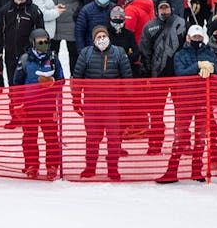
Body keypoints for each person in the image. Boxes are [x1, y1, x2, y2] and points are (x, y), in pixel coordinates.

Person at [157, 23, 217, 183]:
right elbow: (181, 74)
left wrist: (211, 71)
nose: (197, 40)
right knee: (180, 136)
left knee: (200, 137)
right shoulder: (180, 55)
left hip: (203, 100)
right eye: (194, 37)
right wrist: (197, 67)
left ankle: (196, 171)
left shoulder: (209, 53)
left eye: (199, 37)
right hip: (185, 101)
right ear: (188, 38)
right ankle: (172, 171)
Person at [71, 24, 132, 179]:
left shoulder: (119, 52)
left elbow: (127, 78)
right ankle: (90, 167)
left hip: (113, 104)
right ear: (93, 40)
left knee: (113, 138)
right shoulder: (86, 53)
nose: (102, 39)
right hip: (92, 104)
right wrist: (76, 99)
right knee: (92, 138)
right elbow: (77, 78)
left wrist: (128, 101)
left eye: (104, 36)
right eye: (98, 37)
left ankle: (113, 169)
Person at [10, 28, 63, 179]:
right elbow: (17, 82)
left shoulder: (53, 58)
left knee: (51, 138)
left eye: (46, 41)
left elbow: (61, 79)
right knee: (29, 137)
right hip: (30, 106)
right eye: (40, 42)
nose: (43, 44)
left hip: (48, 107)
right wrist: (18, 103)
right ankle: (31, 165)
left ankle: (52, 166)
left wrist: (52, 82)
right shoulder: (25, 59)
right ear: (33, 42)